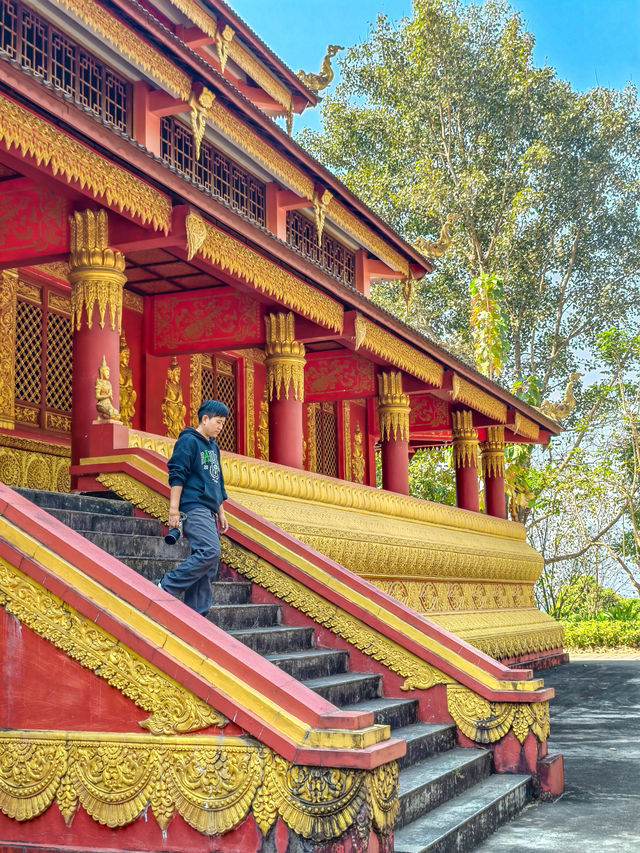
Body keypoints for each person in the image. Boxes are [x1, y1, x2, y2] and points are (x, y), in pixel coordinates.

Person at [158, 399, 229, 615]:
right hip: (193, 506)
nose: (220, 427)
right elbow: (177, 475)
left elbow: (216, 481)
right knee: (210, 552)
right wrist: (174, 510)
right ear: (205, 419)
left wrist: (221, 512)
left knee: (209, 567)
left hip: (209, 510)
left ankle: (196, 614)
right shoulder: (188, 441)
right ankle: (166, 586)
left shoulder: (213, 447)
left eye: (223, 423)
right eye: (218, 422)